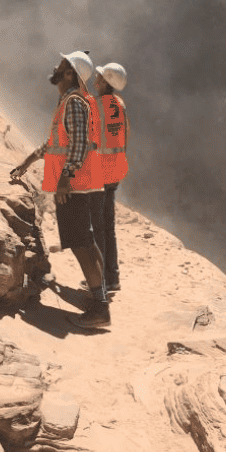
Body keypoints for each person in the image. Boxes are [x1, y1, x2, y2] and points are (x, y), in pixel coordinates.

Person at [10, 51, 110, 329]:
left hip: (73, 185)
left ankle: (99, 309)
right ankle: (99, 297)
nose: (55, 66)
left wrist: (66, 176)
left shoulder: (74, 102)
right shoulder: (70, 101)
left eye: (62, 65)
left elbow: (78, 143)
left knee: (79, 244)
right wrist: (28, 160)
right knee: (85, 242)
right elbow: (56, 142)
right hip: (81, 182)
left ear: (69, 75)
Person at [92, 63, 129, 294]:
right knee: (109, 227)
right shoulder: (120, 105)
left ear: (106, 82)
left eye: (98, 77)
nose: (95, 80)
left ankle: (100, 281)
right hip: (115, 171)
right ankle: (112, 277)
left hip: (99, 173)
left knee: (98, 228)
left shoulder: (96, 106)